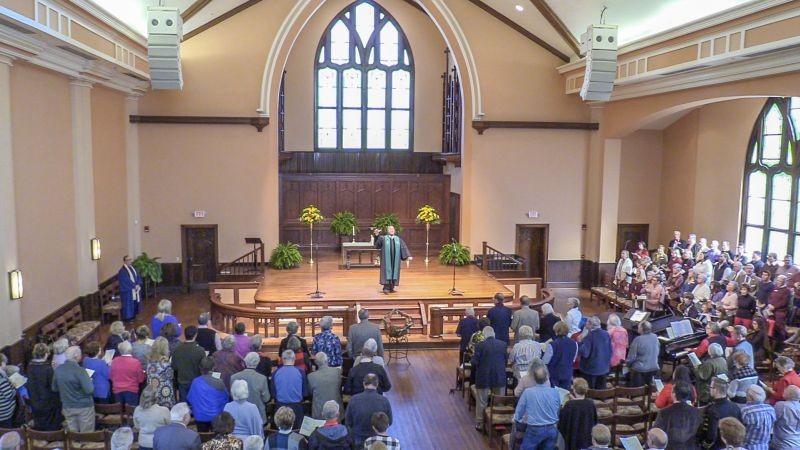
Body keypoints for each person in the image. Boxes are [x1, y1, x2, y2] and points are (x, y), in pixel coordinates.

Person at [513, 364, 561, 449]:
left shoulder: (528, 392)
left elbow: (519, 412)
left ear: (534, 378)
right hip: (552, 428)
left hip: (535, 428)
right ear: (547, 377)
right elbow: (557, 409)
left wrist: (518, 420)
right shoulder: (555, 392)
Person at [470, 326, 507, 429]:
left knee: (482, 400)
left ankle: (480, 423)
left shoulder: (479, 346)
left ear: (484, 335)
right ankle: (499, 422)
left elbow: (474, 362)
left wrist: (473, 359)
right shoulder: (503, 345)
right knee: (499, 400)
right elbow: (505, 360)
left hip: (484, 376)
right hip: (499, 375)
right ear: (493, 333)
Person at [52, 346, 95, 432]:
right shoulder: (80, 371)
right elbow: (89, 390)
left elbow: (54, 388)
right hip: (83, 407)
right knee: (86, 435)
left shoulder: (58, 369)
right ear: (76, 356)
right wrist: (89, 381)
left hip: (67, 406)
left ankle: (75, 445)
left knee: (73, 434)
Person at [345, 373, 392, 448]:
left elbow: (348, 422)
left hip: (358, 439)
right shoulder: (384, 401)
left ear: (364, 384)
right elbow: (389, 421)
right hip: (377, 443)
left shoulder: (354, 399)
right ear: (377, 384)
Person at [653, 382, 702, 450]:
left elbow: (656, 435)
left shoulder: (664, 413)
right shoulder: (697, 412)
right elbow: (699, 434)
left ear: (673, 394)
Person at [26, 343, 63, 430]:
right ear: (46, 354)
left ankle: (40, 431)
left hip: (35, 400)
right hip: (48, 402)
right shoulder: (48, 369)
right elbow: (54, 387)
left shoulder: (30, 366)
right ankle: (52, 434)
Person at [187, 356, 228, 432]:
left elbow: (190, 398)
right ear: (213, 368)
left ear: (200, 368)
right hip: (216, 417)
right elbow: (226, 399)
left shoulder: (195, 382)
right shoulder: (219, 382)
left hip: (200, 416)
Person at [700, 378, 742, 449]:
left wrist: (704, 446)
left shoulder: (712, 410)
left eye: (710, 387)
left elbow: (711, 436)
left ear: (715, 390)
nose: (709, 390)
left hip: (717, 446)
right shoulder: (735, 407)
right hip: (731, 446)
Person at [272, 350, 309, 430]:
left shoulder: (276, 373)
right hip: (297, 407)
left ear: (282, 359)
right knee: (297, 432)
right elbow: (305, 393)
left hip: (280, 407)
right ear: (294, 359)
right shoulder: (301, 372)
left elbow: (273, 393)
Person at [230, 352, 271, 423]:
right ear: (258, 363)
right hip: (257, 416)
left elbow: (232, 396)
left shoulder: (234, 377)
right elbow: (266, 398)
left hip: (239, 416)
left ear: (245, 362)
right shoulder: (262, 378)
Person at [557, 378, 596, 450]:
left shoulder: (570, 405)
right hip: (586, 437)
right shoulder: (591, 403)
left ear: (574, 389)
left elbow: (562, 422)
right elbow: (594, 421)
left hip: (572, 438)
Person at [172, 326, 207, 402]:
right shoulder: (200, 350)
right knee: (195, 403)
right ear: (195, 335)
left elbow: (174, 366)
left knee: (184, 406)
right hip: (196, 382)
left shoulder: (177, 349)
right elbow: (204, 367)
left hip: (182, 382)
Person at [372, 225, 411, 293]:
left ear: (395, 231)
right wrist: (377, 235)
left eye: (393, 229)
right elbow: (377, 245)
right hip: (386, 260)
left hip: (395, 260)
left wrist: (408, 255)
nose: (391, 230)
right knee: (387, 272)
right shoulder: (383, 238)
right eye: (390, 229)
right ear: (387, 231)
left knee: (394, 272)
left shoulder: (398, 239)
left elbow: (404, 247)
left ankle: (392, 287)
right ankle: (386, 288)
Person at [578, 316, 612, 390]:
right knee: (601, 391)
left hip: (591, 369)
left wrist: (580, 342)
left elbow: (585, 353)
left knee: (590, 391)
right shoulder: (606, 334)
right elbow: (610, 350)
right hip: (604, 367)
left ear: (590, 325)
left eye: (586, 322)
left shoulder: (589, 336)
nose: (585, 324)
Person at [134, 385, 171, 450]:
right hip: (160, 442)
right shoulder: (164, 410)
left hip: (143, 443)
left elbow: (137, 426)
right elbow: (169, 426)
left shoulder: (137, 410)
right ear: (156, 397)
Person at [543, 321, 578, 390]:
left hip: (554, 375)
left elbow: (545, 361)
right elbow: (573, 359)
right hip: (567, 373)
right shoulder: (574, 343)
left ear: (556, 331)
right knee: (565, 395)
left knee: (554, 395)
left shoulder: (552, 344)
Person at [110, 340, 146, 407]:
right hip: (131, 391)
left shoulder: (114, 361)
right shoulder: (136, 362)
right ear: (130, 350)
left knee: (118, 413)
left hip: (117, 391)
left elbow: (111, 376)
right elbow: (141, 379)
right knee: (131, 413)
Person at [307, 352, 342, 420]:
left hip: (319, 413)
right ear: (327, 360)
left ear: (316, 362)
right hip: (336, 412)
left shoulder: (311, 376)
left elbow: (310, 393)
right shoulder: (337, 372)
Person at [626, 321, 660, 387]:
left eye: (638, 326)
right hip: (654, 368)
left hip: (640, 370)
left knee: (627, 371)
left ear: (641, 329)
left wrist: (627, 365)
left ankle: (633, 392)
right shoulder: (655, 337)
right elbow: (657, 352)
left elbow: (631, 357)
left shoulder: (637, 340)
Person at [741, 385, 775, 450]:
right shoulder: (771, 409)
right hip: (765, 446)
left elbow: (740, 430)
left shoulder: (746, 411)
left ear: (750, 397)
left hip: (748, 446)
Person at [146, 337, 176, 408]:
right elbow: (171, 376)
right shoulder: (166, 363)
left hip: (153, 393)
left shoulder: (149, 362)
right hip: (165, 394)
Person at [119, 255, 143, 321]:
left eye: (130, 259)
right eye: (128, 260)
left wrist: (138, 284)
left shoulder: (133, 268)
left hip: (135, 289)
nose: (130, 261)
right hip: (128, 291)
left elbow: (137, 276)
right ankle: (128, 318)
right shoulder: (122, 271)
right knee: (128, 304)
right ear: (124, 261)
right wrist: (134, 286)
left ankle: (134, 315)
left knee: (135, 302)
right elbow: (125, 281)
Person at [768, 274, 791, 342]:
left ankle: (782, 341)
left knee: (779, 327)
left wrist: (774, 307)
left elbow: (784, 302)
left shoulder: (787, 290)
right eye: (777, 280)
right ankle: (771, 340)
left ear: (784, 282)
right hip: (771, 310)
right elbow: (770, 297)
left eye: (780, 281)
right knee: (769, 324)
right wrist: (769, 304)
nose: (778, 282)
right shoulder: (775, 287)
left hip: (780, 311)